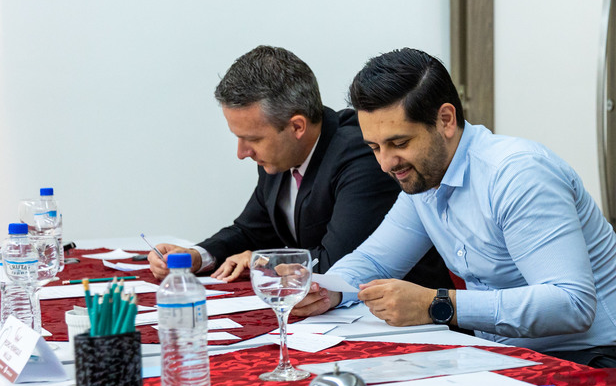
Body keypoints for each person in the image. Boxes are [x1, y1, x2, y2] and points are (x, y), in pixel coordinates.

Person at [293, 48, 616, 374]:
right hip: (510, 355)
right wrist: (328, 290)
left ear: (446, 120)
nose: (386, 163)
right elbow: (374, 260)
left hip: (597, 359)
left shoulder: (518, 175)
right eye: (375, 147)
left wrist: (435, 304)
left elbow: (571, 304)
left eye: (399, 143)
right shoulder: (424, 178)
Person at [149, 46, 449, 289]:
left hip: (402, 320)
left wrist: (262, 262)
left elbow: (336, 261)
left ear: (296, 127)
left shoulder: (360, 152)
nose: (242, 153)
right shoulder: (279, 157)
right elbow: (250, 231)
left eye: (252, 139)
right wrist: (197, 256)